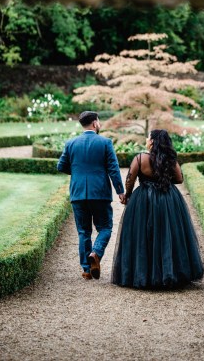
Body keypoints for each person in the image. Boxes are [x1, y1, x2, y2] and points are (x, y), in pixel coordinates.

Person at [112, 129, 204, 289]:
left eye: (148, 138)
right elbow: (179, 179)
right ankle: (170, 274)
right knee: (168, 234)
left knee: (142, 235)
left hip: (143, 201)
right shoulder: (170, 160)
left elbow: (130, 180)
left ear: (153, 141)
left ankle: (142, 275)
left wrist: (127, 195)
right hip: (168, 199)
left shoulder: (140, 158)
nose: (147, 140)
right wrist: (163, 178)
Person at [57, 110, 125, 280]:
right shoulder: (105, 142)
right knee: (105, 228)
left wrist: (78, 173)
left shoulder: (71, 143)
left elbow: (61, 166)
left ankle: (87, 270)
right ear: (95, 123)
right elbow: (113, 169)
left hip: (78, 194)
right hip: (100, 193)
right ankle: (96, 253)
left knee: (83, 232)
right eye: (99, 122)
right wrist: (120, 191)